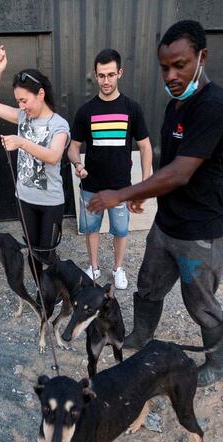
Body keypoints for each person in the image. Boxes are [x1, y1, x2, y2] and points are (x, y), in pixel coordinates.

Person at [88, 20, 223, 387]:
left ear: (202, 57)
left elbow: (182, 173)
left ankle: (217, 365)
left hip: (201, 231)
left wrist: (124, 194)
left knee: (200, 304)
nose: (170, 75)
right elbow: (168, 165)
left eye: (180, 65)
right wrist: (146, 193)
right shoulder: (175, 107)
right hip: (167, 224)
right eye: (164, 67)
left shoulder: (214, 106)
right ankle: (142, 334)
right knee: (148, 285)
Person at [67, 48, 152, 289]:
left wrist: (145, 184)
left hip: (121, 189)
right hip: (91, 186)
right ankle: (93, 267)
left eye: (111, 75)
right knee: (91, 229)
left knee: (120, 231)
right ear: (95, 75)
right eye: (102, 75)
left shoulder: (132, 109)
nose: (106, 80)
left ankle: (118, 269)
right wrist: (77, 163)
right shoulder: (86, 111)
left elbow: (145, 147)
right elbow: (73, 147)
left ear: (120, 74)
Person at [0, 45, 70, 281]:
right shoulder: (22, 117)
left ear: (40, 94)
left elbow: (54, 156)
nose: (21, 106)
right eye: (18, 102)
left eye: (25, 100)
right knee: (32, 251)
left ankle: (59, 288)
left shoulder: (58, 125)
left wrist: (21, 142)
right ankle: (42, 291)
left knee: (47, 253)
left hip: (50, 202)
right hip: (24, 198)